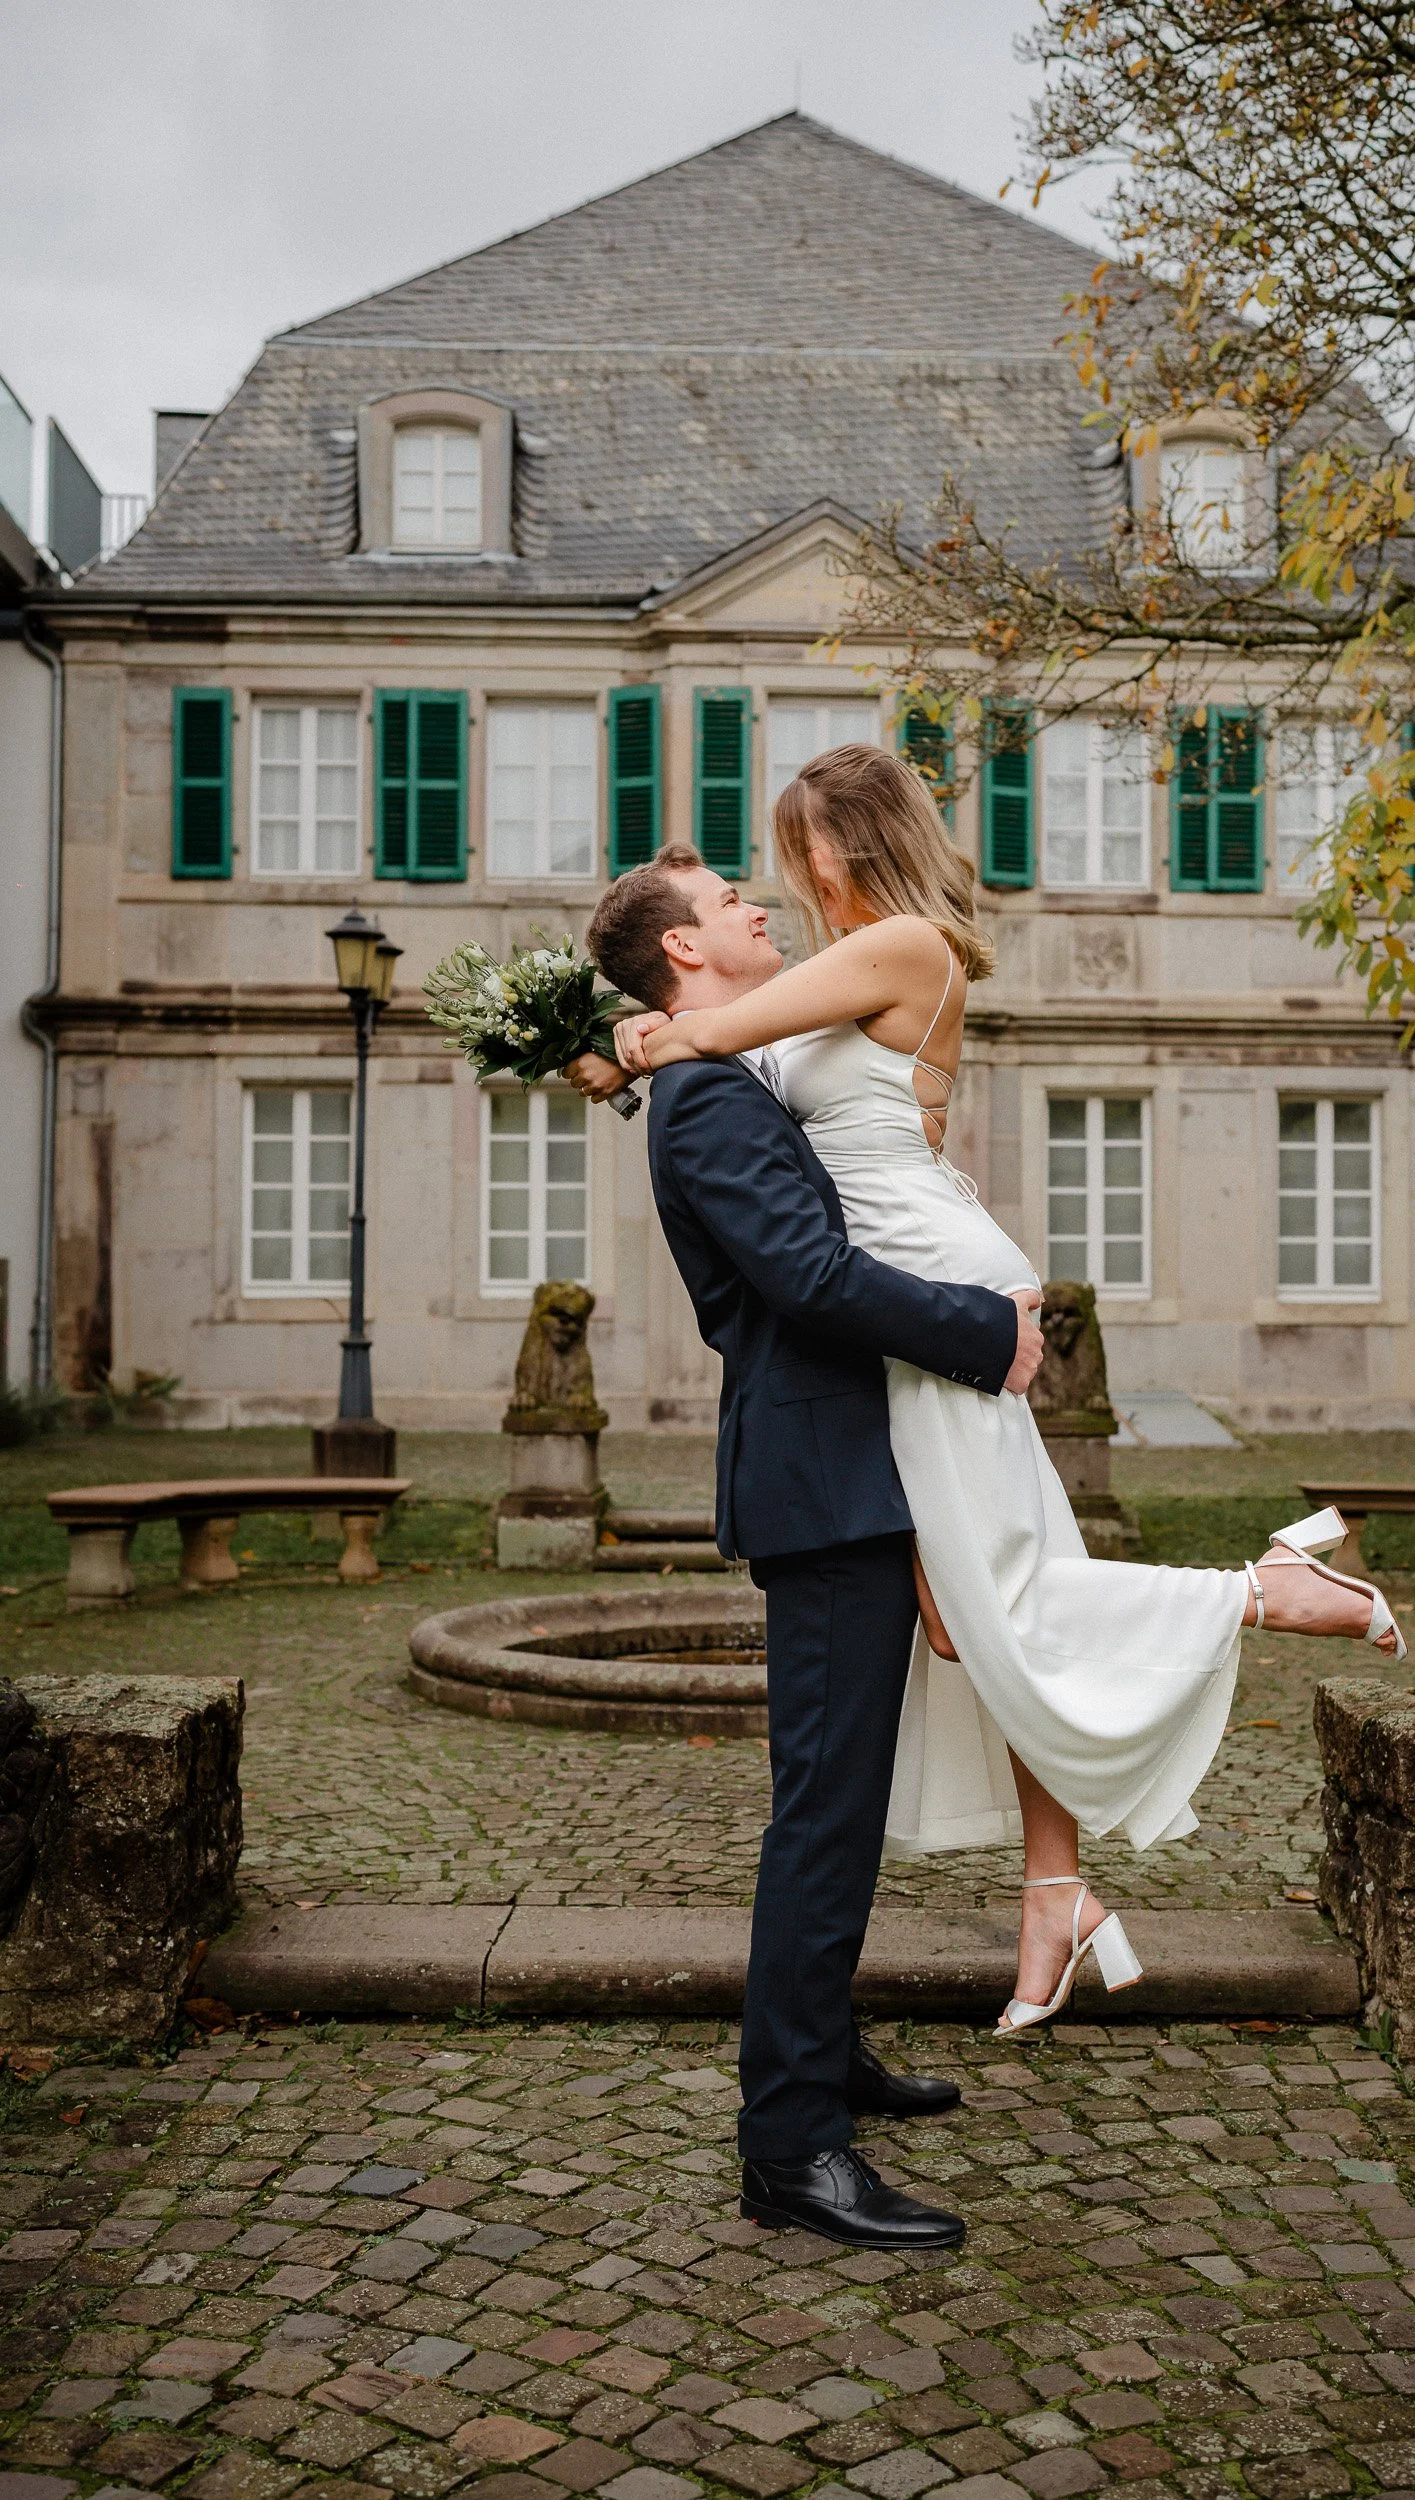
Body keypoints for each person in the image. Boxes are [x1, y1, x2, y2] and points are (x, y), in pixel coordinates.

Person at [575, 748, 1408, 2044]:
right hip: (907, 1302)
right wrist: (650, 1033)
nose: (773, 884)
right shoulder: (834, 980)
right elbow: (740, 1059)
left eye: (787, 854)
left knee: (999, 1595)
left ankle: (1269, 1590)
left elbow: (713, 1034)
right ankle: (1054, 1895)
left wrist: (642, 1038)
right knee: (972, 1620)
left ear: (833, 851)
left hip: (926, 1314)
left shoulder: (900, 944)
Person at [580, 844, 1044, 2253]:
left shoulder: (729, 1068)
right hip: (822, 1475)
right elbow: (809, 1276)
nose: (755, 907)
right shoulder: (709, 1099)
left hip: (847, 1466)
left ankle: (825, 2056)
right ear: (681, 952)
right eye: (729, 901)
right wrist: (987, 1336)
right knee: (822, 1818)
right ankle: (790, 2145)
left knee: (833, 1796)